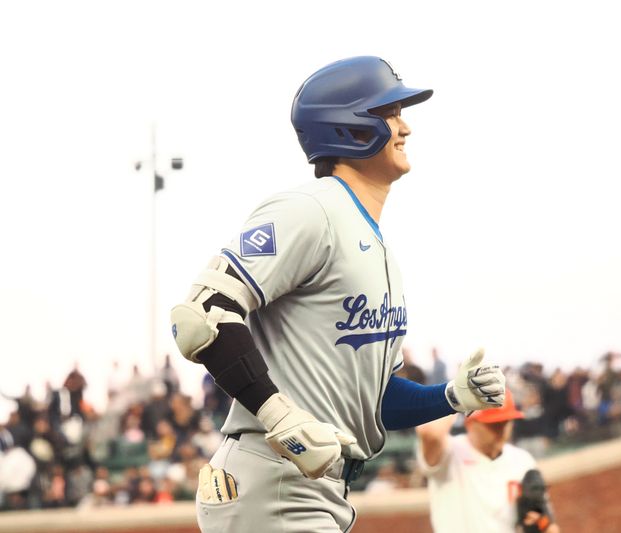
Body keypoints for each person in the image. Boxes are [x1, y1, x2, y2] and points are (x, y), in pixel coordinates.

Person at [170, 56, 506, 533]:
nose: (405, 127)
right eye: (390, 113)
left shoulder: (372, 241)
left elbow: (377, 399)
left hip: (317, 488)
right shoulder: (312, 209)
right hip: (274, 477)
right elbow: (202, 314)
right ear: (350, 126)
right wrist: (279, 415)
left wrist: (451, 396)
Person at [416, 388, 560, 533]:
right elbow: (430, 431)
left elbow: (550, 527)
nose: (501, 430)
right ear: (470, 423)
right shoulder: (450, 452)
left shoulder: (522, 460)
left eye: (505, 422)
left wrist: (542, 523)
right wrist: (459, 393)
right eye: (493, 424)